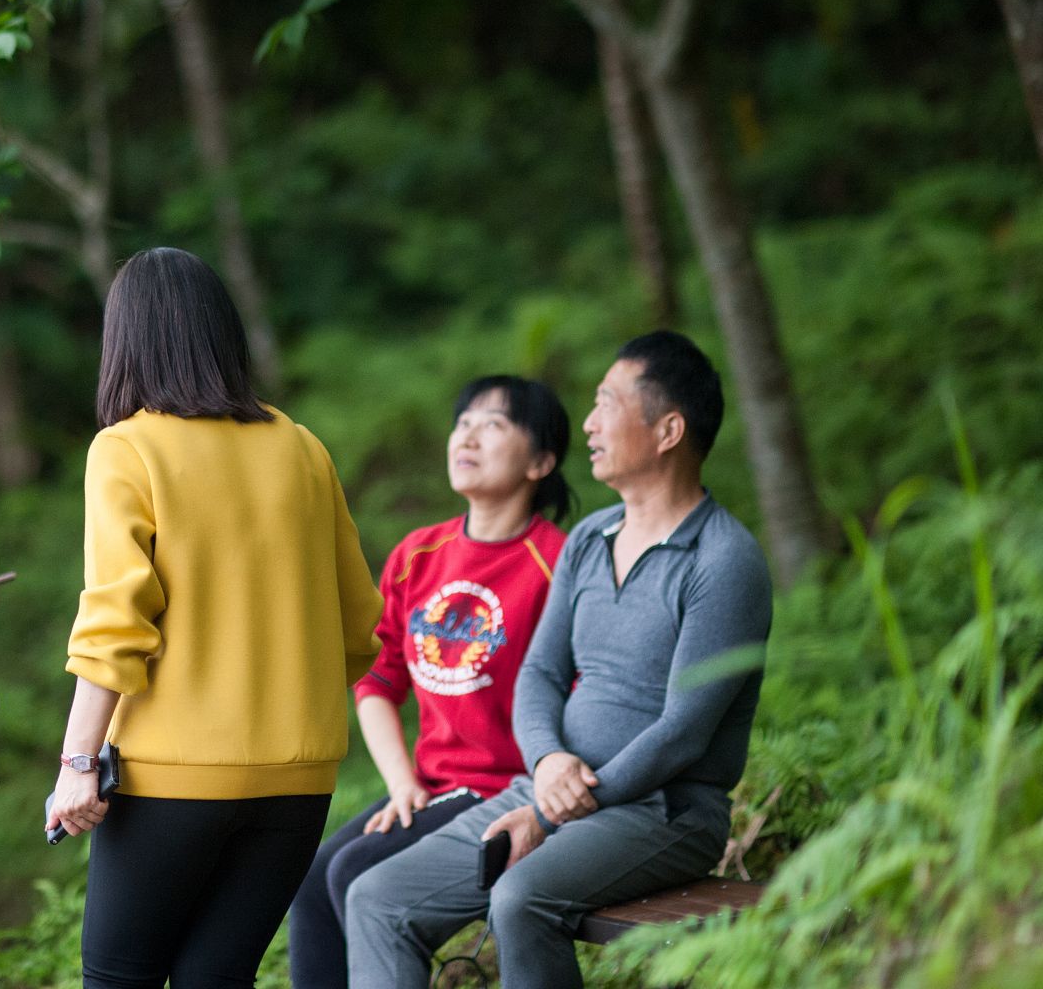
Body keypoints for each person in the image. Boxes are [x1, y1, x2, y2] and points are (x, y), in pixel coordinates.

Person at [344, 331, 774, 989]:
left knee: (520, 899)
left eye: (607, 404)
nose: (591, 424)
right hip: (546, 788)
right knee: (376, 898)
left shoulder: (723, 561)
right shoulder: (590, 539)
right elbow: (540, 674)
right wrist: (546, 763)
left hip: (664, 811)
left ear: (668, 430)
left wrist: (550, 815)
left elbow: (685, 729)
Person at [44, 247, 385, 989]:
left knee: (118, 977)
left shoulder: (127, 449)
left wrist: (77, 765)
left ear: (126, 340)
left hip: (171, 780)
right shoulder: (302, 448)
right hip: (298, 779)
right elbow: (360, 625)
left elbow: (114, 624)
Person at [286, 375, 574, 989]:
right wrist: (400, 781)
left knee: (354, 874)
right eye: (463, 421)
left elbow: (580, 696)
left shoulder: (558, 563)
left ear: (541, 461)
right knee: (311, 881)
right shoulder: (420, 553)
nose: (468, 433)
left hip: (509, 787)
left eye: (494, 423)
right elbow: (375, 680)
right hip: (434, 786)